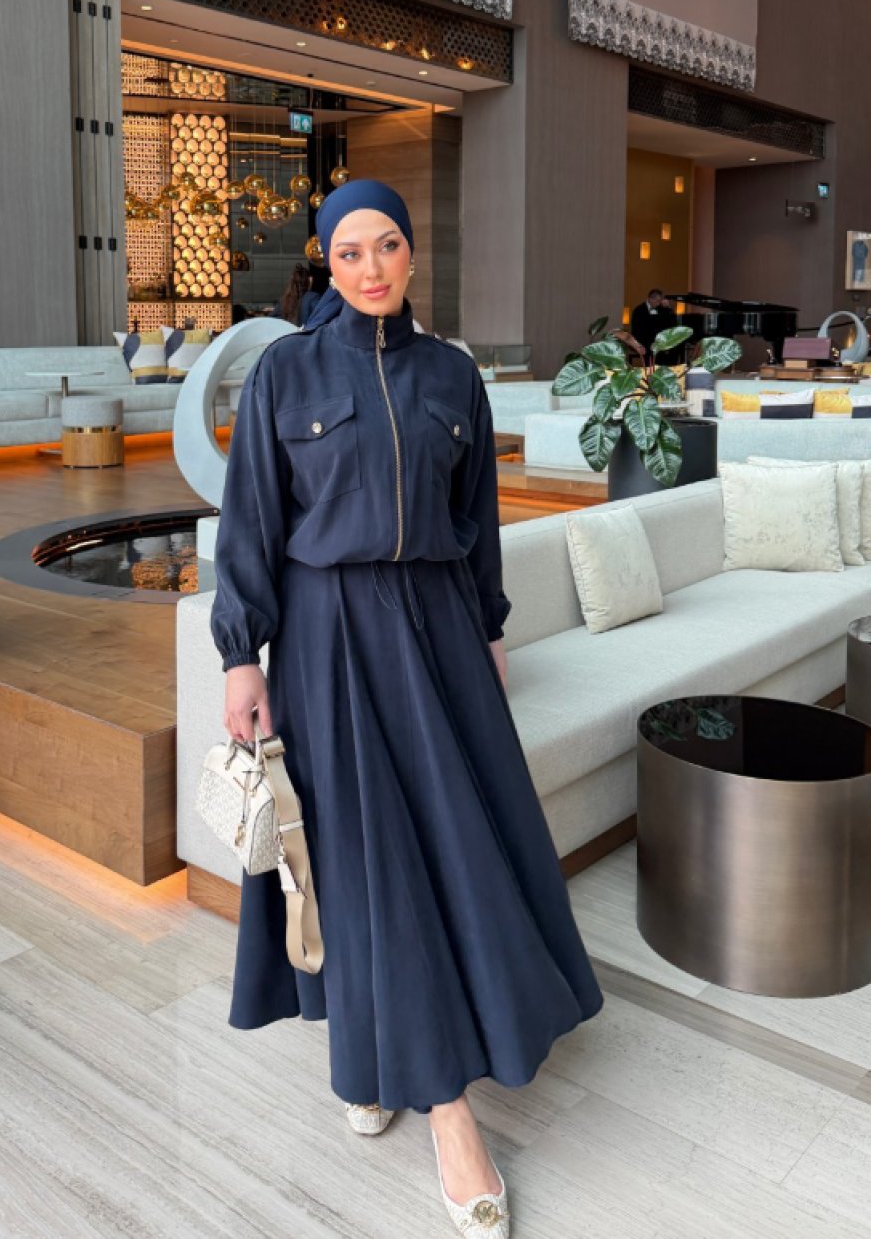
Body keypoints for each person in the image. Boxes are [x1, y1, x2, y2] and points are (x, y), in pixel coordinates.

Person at [210, 179, 602, 1238]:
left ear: (412, 254)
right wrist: (241, 656)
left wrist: (489, 628)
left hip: (438, 633)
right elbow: (250, 521)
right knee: (360, 857)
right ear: (326, 262)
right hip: (327, 638)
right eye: (350, 251)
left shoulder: (450, 375)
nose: (372, 267)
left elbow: (476, 518)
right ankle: (439, 1104)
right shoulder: (286, 371)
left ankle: (399, 1062)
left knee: (454, 853)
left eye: (388, 245)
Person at [630, 288, 679, 353]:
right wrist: (649, 345)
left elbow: (672, 323)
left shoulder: (662, 309)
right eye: (657, 301)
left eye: (660, 301)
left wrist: (669, 308)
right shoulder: (639, 310)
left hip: (660, 344)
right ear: (650, 299)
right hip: (644, 343)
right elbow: (637, 331)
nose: (659, 304)